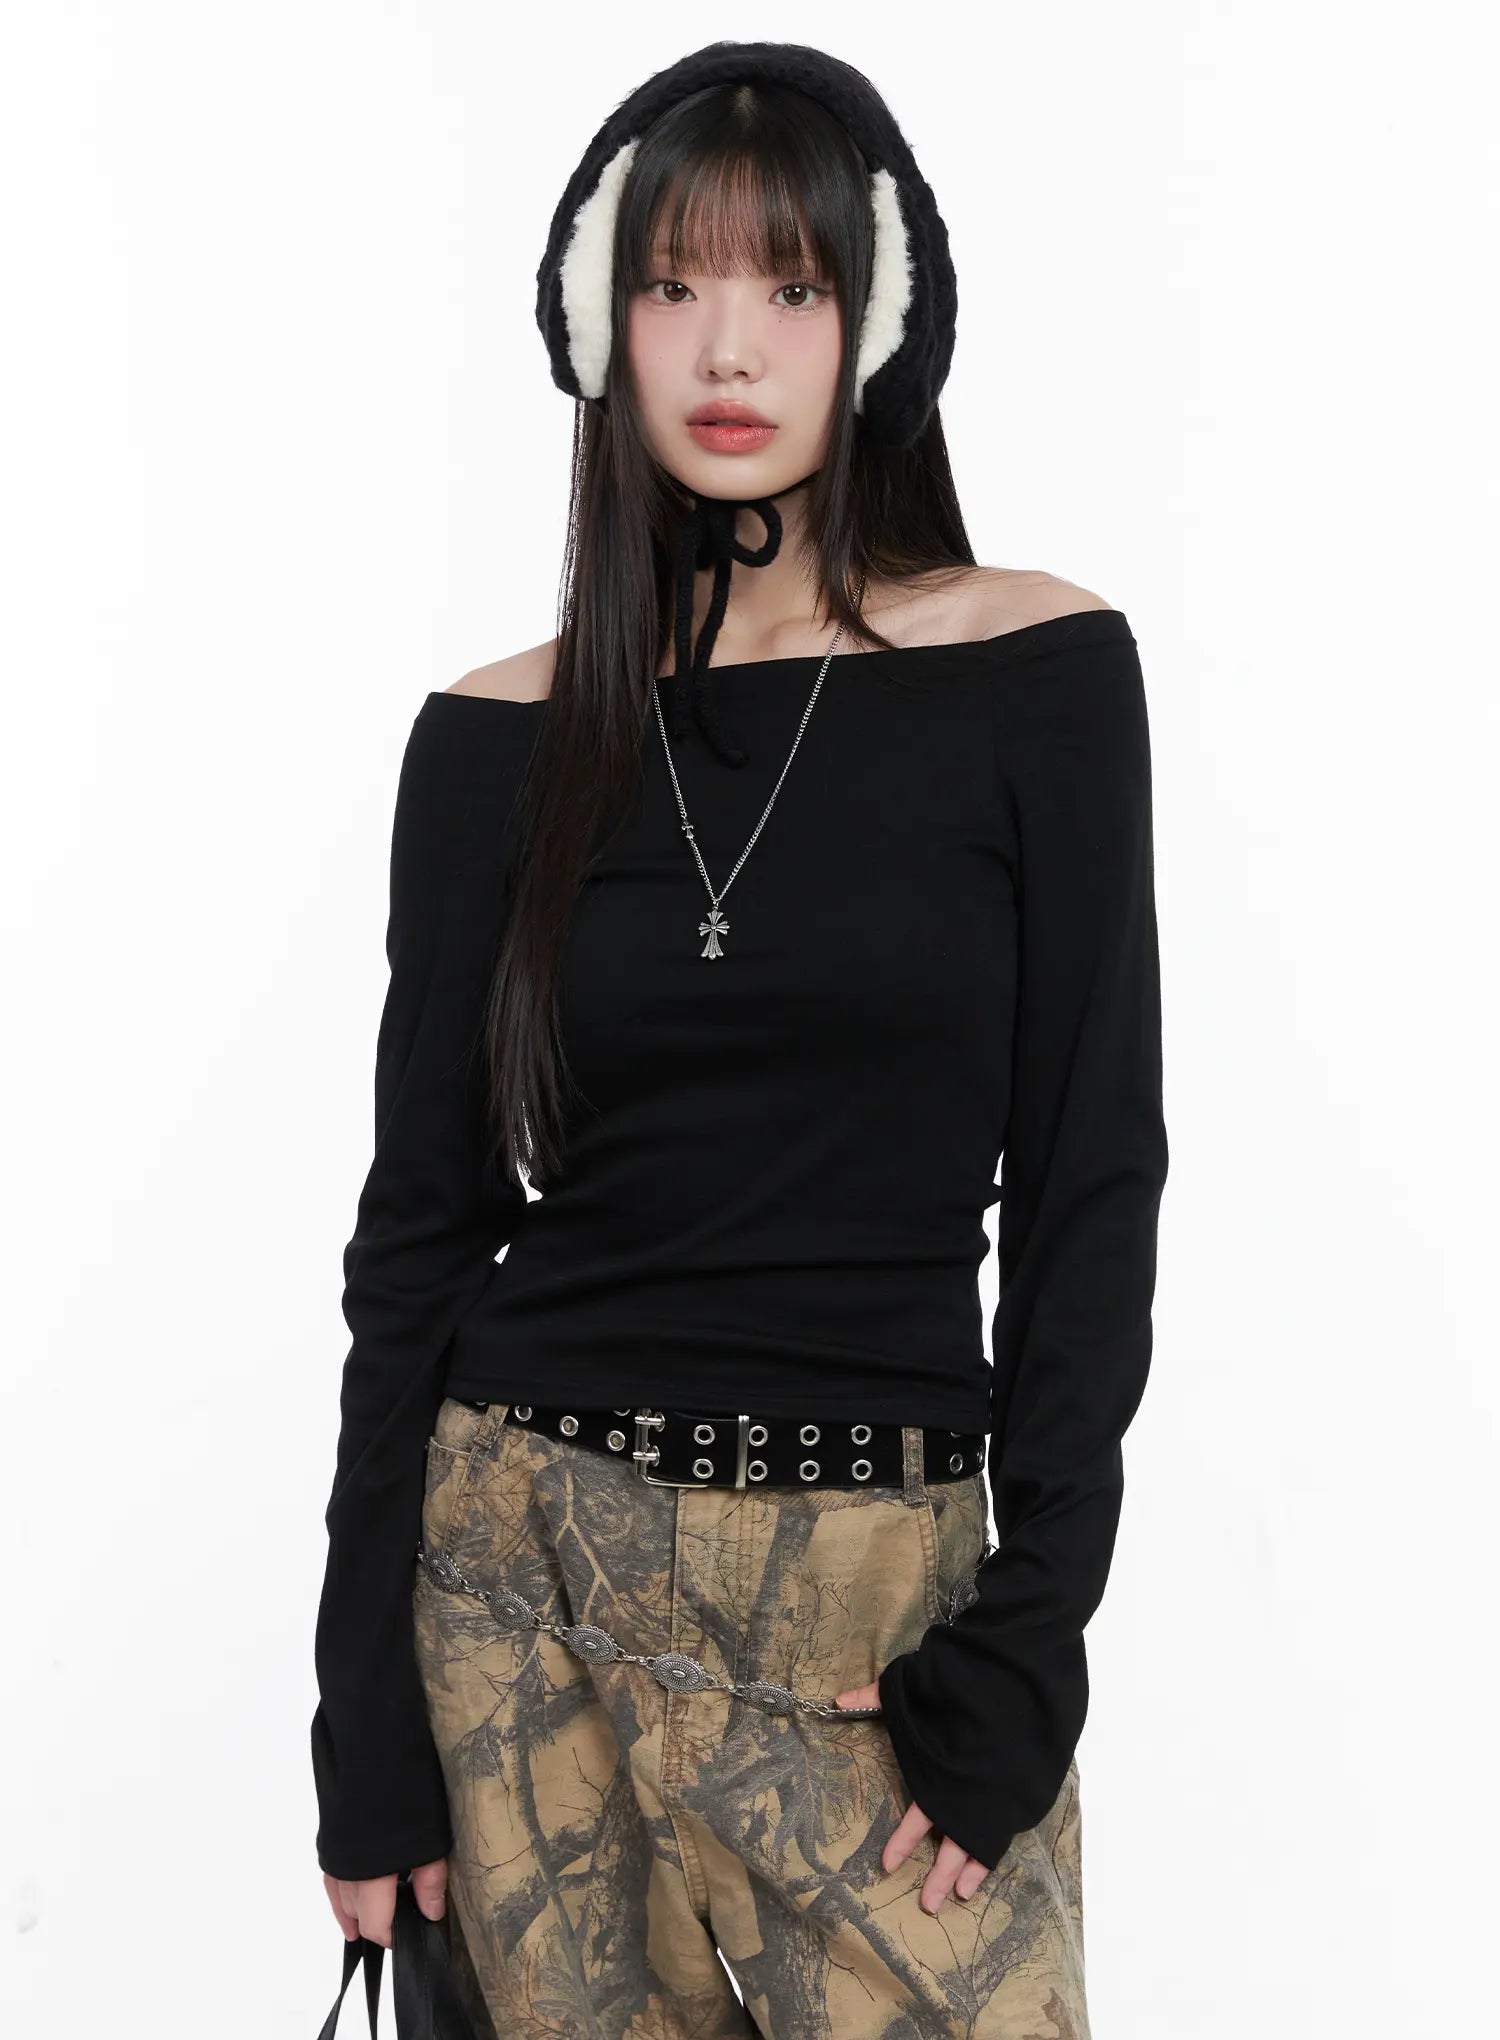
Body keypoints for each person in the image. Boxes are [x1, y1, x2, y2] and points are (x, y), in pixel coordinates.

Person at [310, 39, 1168, 2039]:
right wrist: (363, 1711)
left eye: (790, 285)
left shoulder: (1035, 672)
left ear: (876, 325)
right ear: (597, 323)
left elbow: (1092, 1177)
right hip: (519, 1580)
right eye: (672, 283)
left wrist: (1034, 1632)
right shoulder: (494, 739)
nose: (727, 346)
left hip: (878, 1605)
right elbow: (418, 1234)